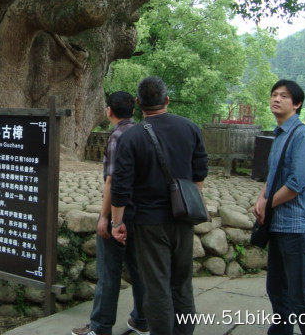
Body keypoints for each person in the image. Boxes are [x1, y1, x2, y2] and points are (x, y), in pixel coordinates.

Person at [110, 76, 207, 335]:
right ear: (167, 99)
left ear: (139, 102)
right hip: (183, 219)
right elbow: (200, 173)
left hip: (148, 222)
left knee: (157, 286)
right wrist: (186, 204)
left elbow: (121, 186)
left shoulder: (131, 137)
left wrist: (117, 223)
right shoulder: (190, 128)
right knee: (182, 284)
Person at [72, 91, 149, 335]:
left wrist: (107, 218)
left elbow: (111, 182)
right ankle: (142, 319)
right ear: (133, 109)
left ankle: (100, 326)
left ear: (109, 111)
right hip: (143, 212)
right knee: (139, 270)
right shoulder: (143, 132)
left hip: (121, 212)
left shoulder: (118, 136)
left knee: (109, 271)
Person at [252, 80, 305, 335]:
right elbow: (273, 176)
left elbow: (297, 182)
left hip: (296, 225)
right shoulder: (280, 134)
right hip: (279, 224)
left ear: (297, 104)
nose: (277, 99)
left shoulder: (303, 135)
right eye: (274, 94)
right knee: (277, 291)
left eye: (284, 96)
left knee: (301, 297)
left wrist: (267, 203)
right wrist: (261, 198)